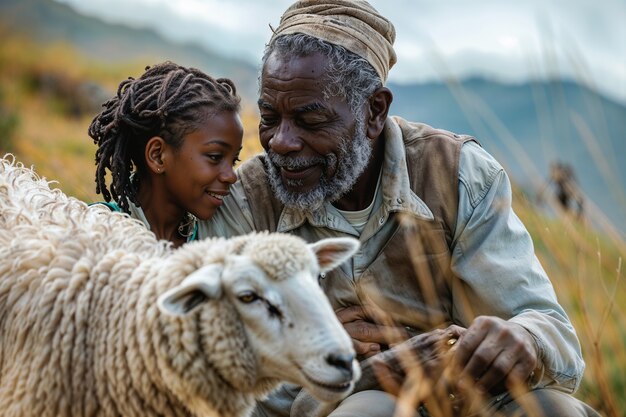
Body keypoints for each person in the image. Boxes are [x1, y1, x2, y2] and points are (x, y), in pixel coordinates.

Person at [200, 1, 599, 416]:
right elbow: (224, 381)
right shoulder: (245, 202)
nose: (281, 141)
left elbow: (556, 340)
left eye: (310, 121)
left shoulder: (458, 175)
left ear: (374, 112)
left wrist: (525, 340)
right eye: (269, 117)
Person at [88, 61, 243, 247]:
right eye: (215, 157)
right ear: (158, 155)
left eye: (234, 160)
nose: (231, 176)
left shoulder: (214, 247)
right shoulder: (90, 231)